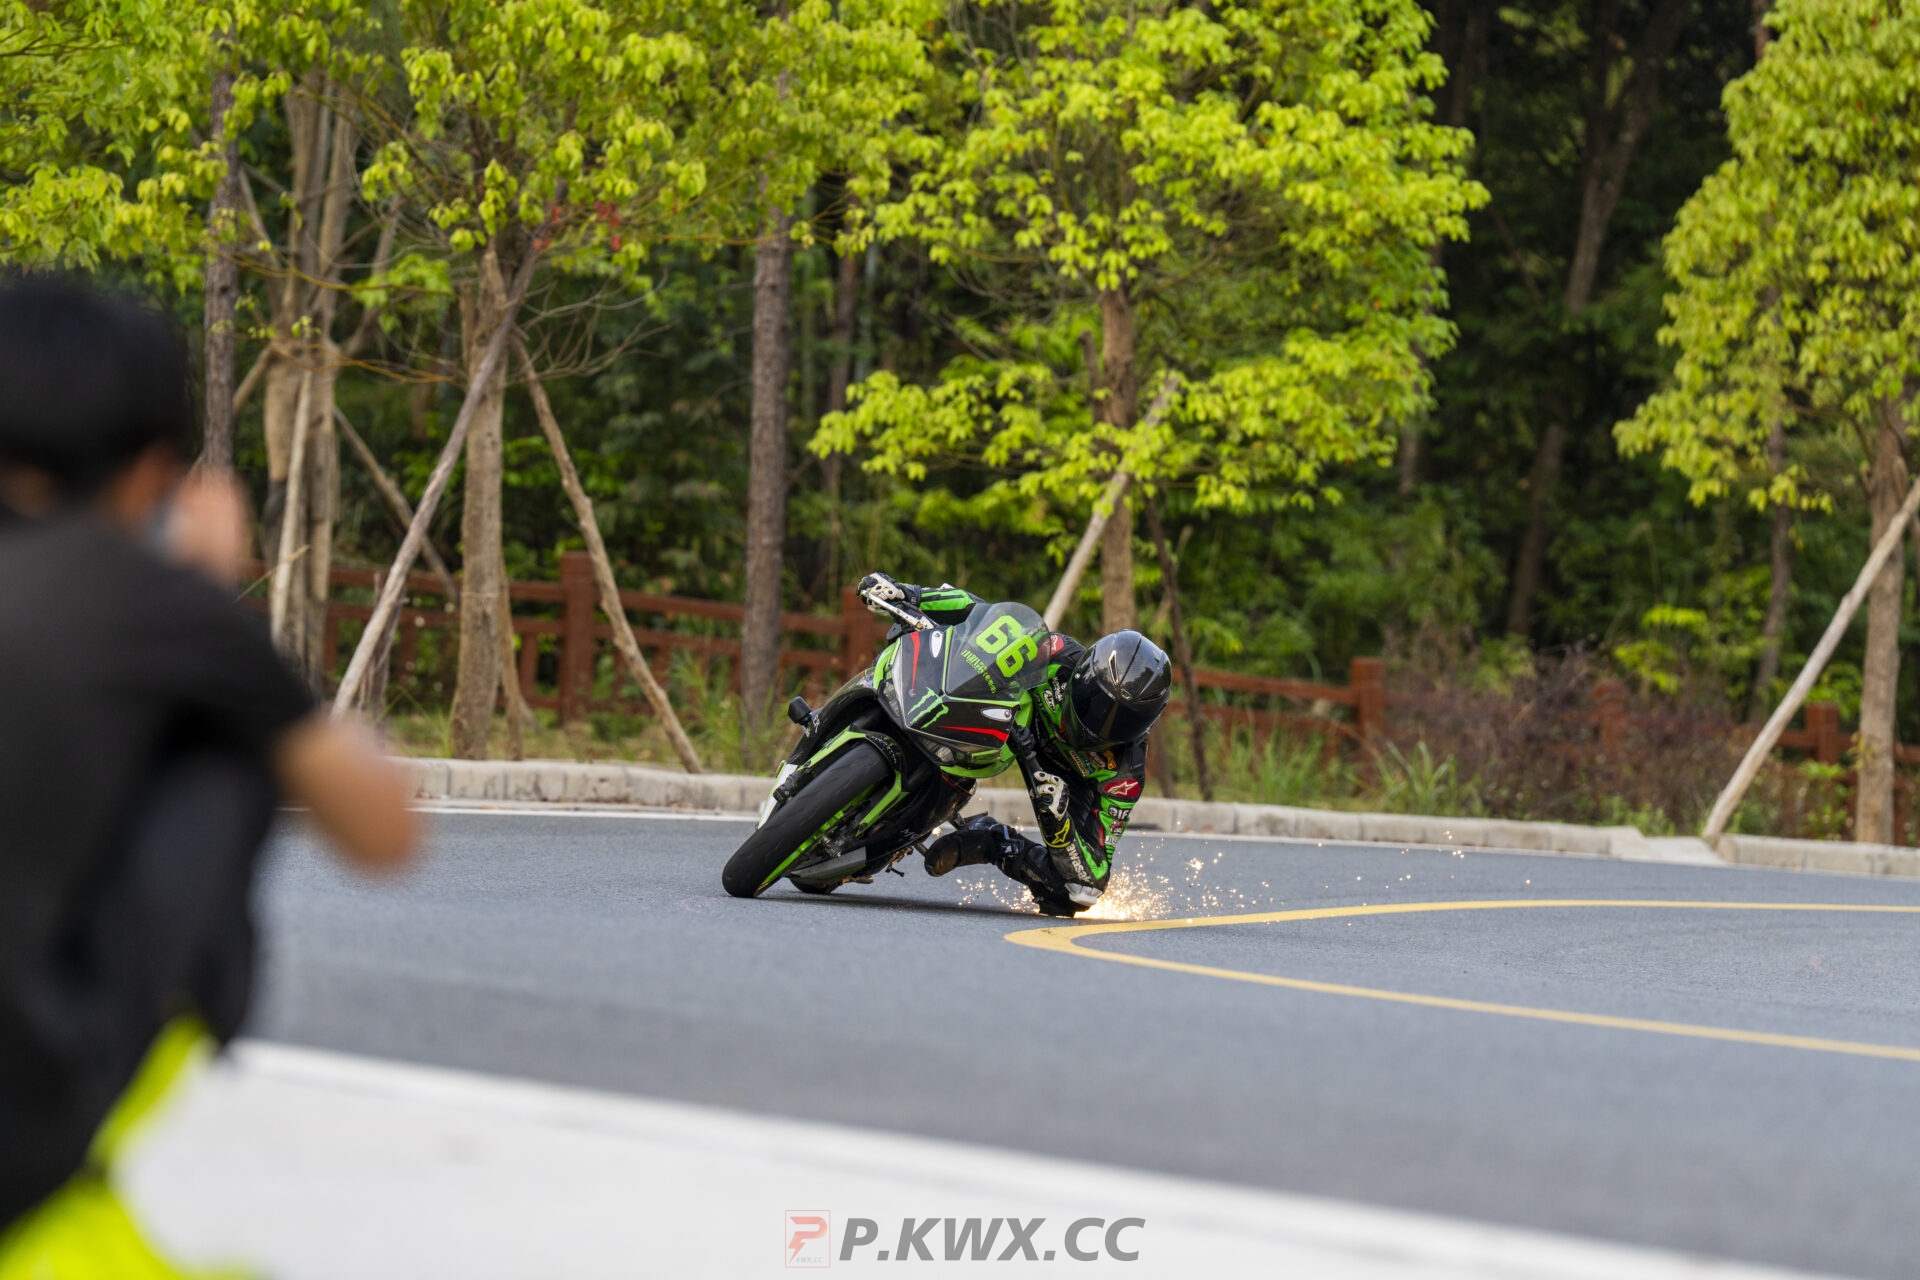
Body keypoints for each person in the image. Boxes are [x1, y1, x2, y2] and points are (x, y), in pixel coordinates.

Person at [0, 277, 421, 1276]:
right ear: (155, 472)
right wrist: (202, 598)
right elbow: (384, 830)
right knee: (223, 747)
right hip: (21, 1126)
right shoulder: (143, 597)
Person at [856, 571, 1171, 916]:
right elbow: (981, 615)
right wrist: (911, 594)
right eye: (1094, 699)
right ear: (1084, 672)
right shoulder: (1056, 654)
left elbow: (1095, 872)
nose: (1100, 722)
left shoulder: (1125, 776)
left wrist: (1060, 824)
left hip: (1064, 785)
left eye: (1122, 721)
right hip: (1012, 723)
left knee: (1075, 895)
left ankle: (991, 839)